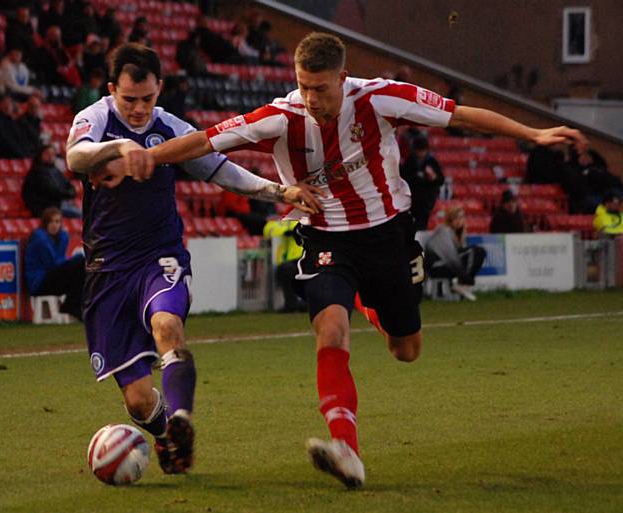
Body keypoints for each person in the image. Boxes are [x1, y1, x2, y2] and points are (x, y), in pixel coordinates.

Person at [98, 33, 587, 489]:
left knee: (406, 348)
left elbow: (461, 116)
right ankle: (346, 449)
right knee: (330, 330)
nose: (311, 98)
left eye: (320, 88)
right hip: (326, 237)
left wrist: (534, 135)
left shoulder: (379, 98)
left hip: (388, 235)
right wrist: (145, 156)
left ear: (342, 77)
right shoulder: (280, 116)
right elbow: (204, 142)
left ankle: (371, 306)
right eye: (303, 86)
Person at [65, 43, 319, 476]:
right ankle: (167, 433)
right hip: (106, 269)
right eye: (130, 99)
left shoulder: (170, 127)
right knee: (139, 401)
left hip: (158, 257)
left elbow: (221, 170)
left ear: (159, 88)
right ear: (111, 90)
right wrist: (121, 149)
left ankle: (181, 418)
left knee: (167, 325)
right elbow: (75, 156)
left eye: (148, 98)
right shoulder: (97, 119)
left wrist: (279, 191)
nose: (141, 108)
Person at [24, 207, 85, 320]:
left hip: (51, 278)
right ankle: (72, 306)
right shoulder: (39, 239)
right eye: (51, 221)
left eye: (57, 221)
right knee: (80, 261)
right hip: (39, 282)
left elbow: (59, 262)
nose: (54, 225)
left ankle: (73, 305)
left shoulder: (62, 236)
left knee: (82, 267)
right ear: (45, 223)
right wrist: (72, 261)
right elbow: (52, 264)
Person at [424, 206, 486, 301]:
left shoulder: (459, 233)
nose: (459, 220)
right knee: (477, 251)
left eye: (461, 217)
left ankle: (462, 285)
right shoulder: (444, 230)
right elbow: (451, 258)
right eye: (456, 218)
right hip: (435, 268)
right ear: (450, 219)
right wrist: (465, 278)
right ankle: (462, 284)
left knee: (478, 252)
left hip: (445, 266)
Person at [22, 144, 80, 218]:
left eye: (53, 154)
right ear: (40, 155)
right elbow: (51, 190)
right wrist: (68, 194)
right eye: (47, 154)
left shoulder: (55, 170)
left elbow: (68, 184)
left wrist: (72, 192)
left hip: (58, 204)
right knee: (81, 215)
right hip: (45, 207)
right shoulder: (36, 172)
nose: (50, 156)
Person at [399, 134, 444, 230]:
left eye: (423, 150)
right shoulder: (410, 161)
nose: (421, 154)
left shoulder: (431, 162)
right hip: (412, 199)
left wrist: (433, 177)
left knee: (422, 224)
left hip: (426, 201)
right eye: (419, 151)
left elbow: (440, 180)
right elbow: (404, 177)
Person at [263, 218, 306, 313]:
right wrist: (285, 232)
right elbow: (268, 231)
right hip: (290, 260)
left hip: (306, 257)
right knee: (286, 270)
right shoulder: (279, 223)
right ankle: (291, 305)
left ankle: (306, 304)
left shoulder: (304, 220)